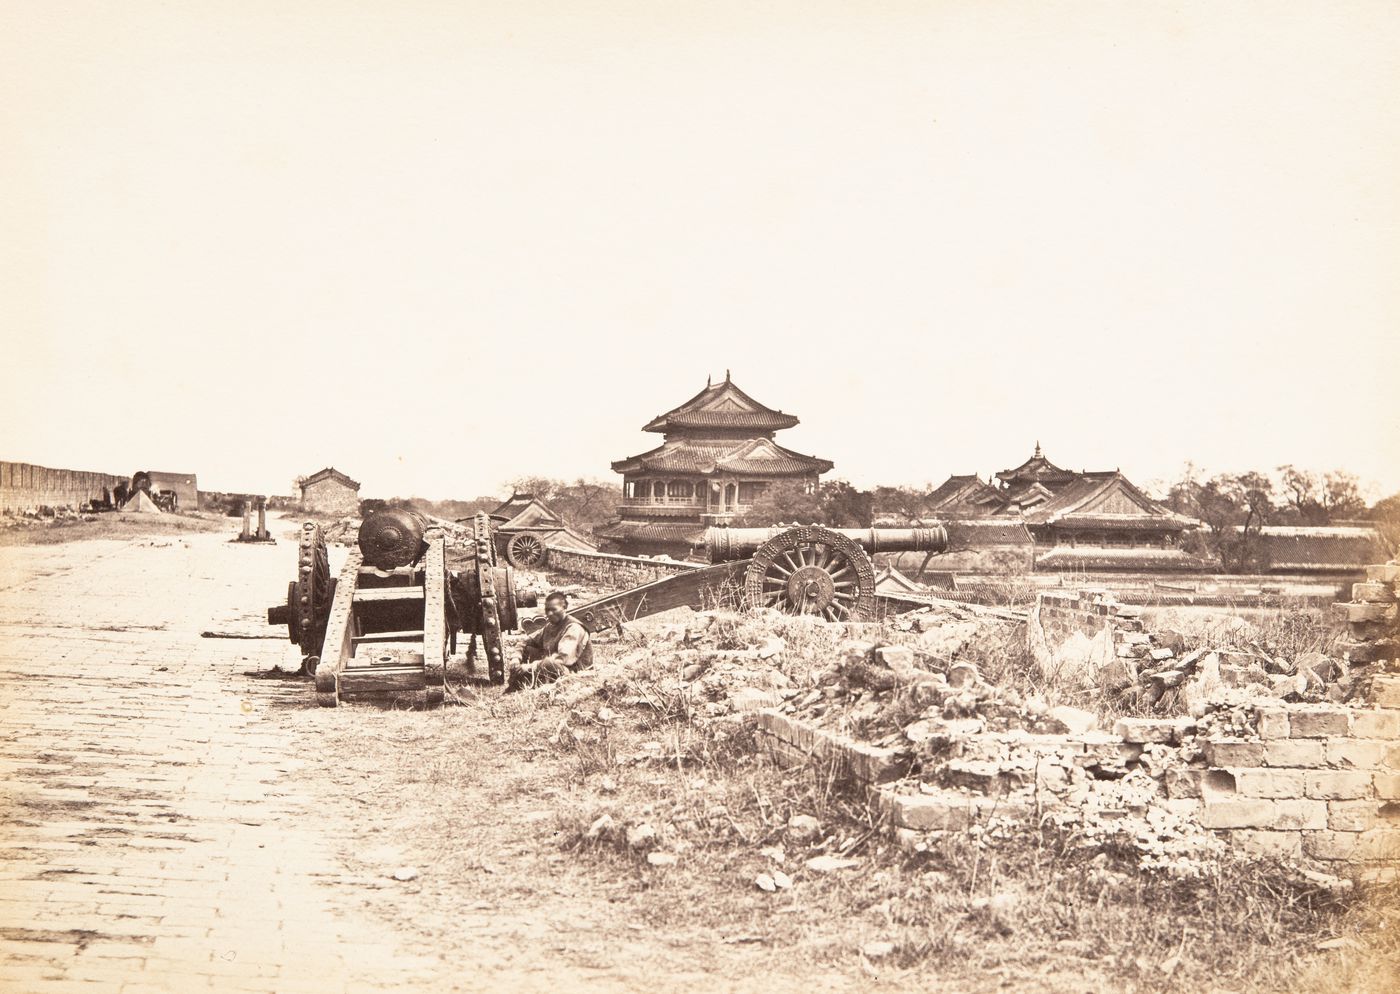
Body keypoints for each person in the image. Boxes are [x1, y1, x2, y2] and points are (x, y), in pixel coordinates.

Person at [506, 591, 593, 692]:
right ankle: (516, 688)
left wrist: (530, 667)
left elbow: (562, 658)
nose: (550, 614)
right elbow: (526, 641)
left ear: (564, 608)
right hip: (553, 667)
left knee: (549, 663)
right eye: (547, 610)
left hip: (574, 672)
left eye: (554, 610)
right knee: (528, 650)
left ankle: (531, 684)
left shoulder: (574, 628)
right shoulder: (550, 626)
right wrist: (516, 657)